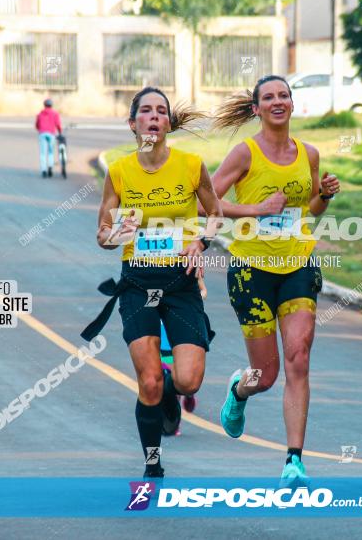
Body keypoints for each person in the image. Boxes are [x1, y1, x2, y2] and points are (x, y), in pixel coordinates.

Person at [82, 87, 222, 479]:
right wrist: (118, 235)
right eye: (146, 111)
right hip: (138, 283)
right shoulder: (120, 171)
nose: (155, 117)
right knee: (148, 381)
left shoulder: (192, 165)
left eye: (161, 111)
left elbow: (215, 212)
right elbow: (102, 236)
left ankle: (170, 386)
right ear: (133, 123)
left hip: (181, 282)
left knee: (188, 380)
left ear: (169, 123)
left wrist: (201, 240)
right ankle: (152, 462)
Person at [211, 75, 340, 485]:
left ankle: (294, 461)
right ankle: (238, 391)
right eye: (269, 97)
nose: (278, 101)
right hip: (251, 271)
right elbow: (207, 201)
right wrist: (257, 209)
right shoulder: (244, 154)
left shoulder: (310, 153)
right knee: (265, 376)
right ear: (257, 109)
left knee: (298, 358)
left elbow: (312, 209)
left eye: (284, 95)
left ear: (292, 103)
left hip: (299, 265)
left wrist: (326, 195)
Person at [35, 99, 62, 178]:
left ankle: (44, 170)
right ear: (52, 105)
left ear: (44, 105)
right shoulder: (55, 114)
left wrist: (40, 130)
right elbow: (58, 124)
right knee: (50, 152)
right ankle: (50, 166)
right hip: (51, 134)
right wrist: (60, 132)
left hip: (42, 133)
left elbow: (37, 125)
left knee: (43, 153)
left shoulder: (40, 114)